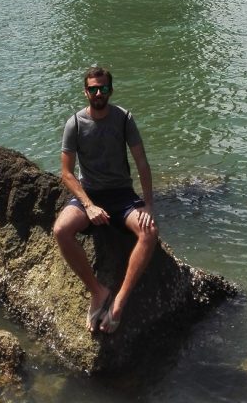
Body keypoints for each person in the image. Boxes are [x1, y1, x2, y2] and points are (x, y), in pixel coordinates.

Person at [53, 66, 158, 335]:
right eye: (93, 89)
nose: (99, 93)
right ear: (85, 91)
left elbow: (142, 164)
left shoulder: (124, 119)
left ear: (111, 90)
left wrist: (148, 204)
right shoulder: (75, 124)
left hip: (122, 195)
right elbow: (66, 173)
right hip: (89, 194)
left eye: (104, 88)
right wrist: (88, 205)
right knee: (61, 230)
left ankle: (119, 301)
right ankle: (98, 291)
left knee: (149, 232)